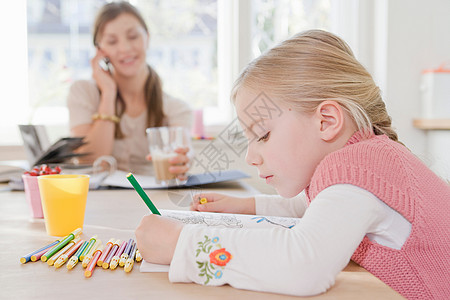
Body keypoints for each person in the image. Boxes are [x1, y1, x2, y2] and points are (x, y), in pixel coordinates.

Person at [135, 30, 450, 299]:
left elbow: (303, 265)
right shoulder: (366, 159)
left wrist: (181, 244)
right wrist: (247, 206)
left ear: (326, 121)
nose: (250, 156)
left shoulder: (358, 172)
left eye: (263, 135)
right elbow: (313, 205)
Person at [67, 1, 193, 176]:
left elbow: (180, 164)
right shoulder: (83, 92)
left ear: (147, 38)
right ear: (100, 50)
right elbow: (88, 161)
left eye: (133, 37)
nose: (125, 48)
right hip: (99, 202)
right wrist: (108, 94)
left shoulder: (176, 109)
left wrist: (182, 162)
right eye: (112, 41)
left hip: (151, 201)